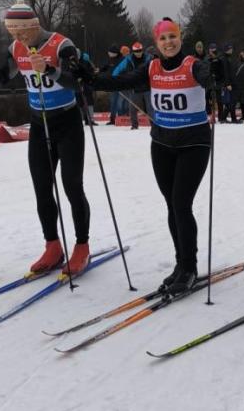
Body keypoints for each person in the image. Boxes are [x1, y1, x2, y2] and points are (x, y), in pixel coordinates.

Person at [91, 18, 214, 294]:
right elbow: (118, 81)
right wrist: (88, 77)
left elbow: (208, 75)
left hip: (194, 144)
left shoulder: (192, 65)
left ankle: (190, 268)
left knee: (182, 204)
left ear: (179, 38)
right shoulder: (152, 67)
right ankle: (180, 265)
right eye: (163, 38)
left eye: (173, 37)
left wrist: (212, 77)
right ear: (155, 43)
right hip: (161, 144)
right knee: (171, 206)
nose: (169, 42)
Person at [0, 1, 92, 276]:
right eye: (13, 32)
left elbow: (77, 82)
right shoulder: (16, 49)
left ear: (34, 26)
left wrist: (50, 70)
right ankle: (52, 245)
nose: (19, 38)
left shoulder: (61, 44)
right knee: (41, 186)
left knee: (72, 186)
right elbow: (1, 81)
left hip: (67, 121)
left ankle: (82, 246)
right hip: (39, 124)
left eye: (23, 32)